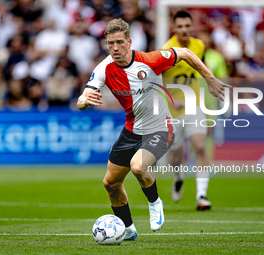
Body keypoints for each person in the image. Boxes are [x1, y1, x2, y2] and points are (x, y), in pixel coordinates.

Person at [77, 18, 228, 240]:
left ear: (129, 42)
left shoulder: (149, 60)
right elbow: (83, 98)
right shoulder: (104, 68)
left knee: (138, 167)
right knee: (110, 183)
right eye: (110, 43)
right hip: (131, 130)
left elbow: (184, 53)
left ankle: (155, 202)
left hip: (160, 128)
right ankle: (128, 229)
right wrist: (84, 100)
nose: (115, 48)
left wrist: (210, 79)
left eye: (120, 42)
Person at [162, 11, 221, 210]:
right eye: (180, 27)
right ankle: (179, 177)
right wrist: (170, 99)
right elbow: (155, 81)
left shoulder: (199, 45)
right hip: (173, 110)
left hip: (194, 104)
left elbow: (202, 64)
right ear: (174, 28)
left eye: (187, 26)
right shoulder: (166, 51)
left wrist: (211, 81)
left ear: (192, 26)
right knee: (177, 157)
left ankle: (201, 196)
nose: (184, 30)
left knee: (201, 147)